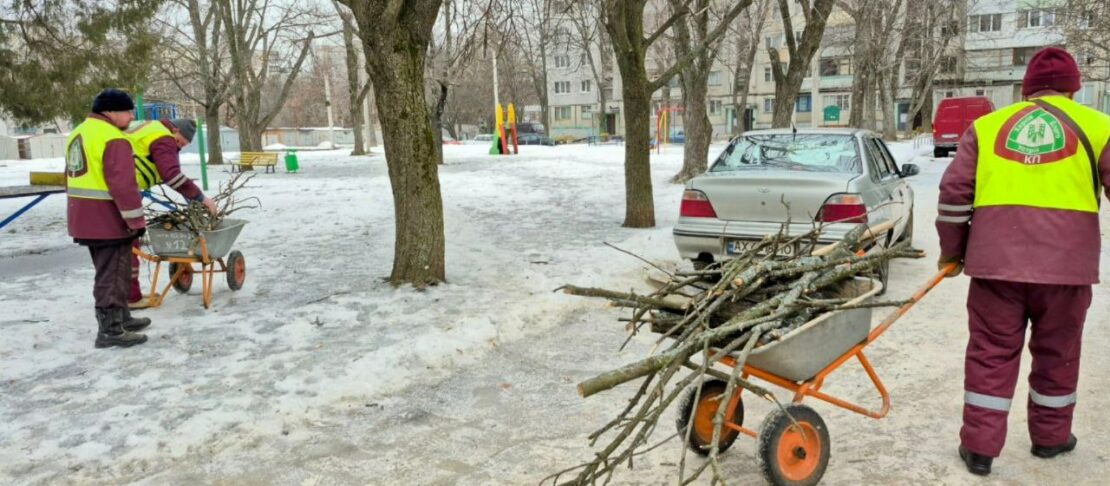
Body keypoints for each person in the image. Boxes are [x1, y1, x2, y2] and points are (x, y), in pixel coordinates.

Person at [936, 47, 1110, 476]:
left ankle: (979, 449)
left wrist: (952, 252)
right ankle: (1050, 439)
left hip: (996, 267)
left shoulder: (987, 126)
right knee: (1058, 353)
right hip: (1067, 271)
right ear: (1076, 87)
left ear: (1026, 88)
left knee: (991, 354)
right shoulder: (1100, 126)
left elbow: (955, 197)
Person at [65, 89, 149, 348]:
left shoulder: (79, 133)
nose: (131, 117)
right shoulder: (112, 137)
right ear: (111, 112)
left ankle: (121, 317)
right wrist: (136, 221)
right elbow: (123, 185)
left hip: (83, 214)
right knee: (112, 273)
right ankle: (111, 330)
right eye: (127, 112)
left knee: (114, 270)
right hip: (108, 217)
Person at [127, 118, 217, 308]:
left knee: (126, 244)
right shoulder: (164, 138)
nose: (179, 147)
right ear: (175, 130)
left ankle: (128, 296)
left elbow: (152, 163)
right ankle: (130, 297)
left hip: (120, 187)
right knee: (128, 243)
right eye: (180, 142)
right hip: (122, 190)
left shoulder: (153, 128)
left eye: (182, 146)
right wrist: (201, 198)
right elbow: (171, 174)